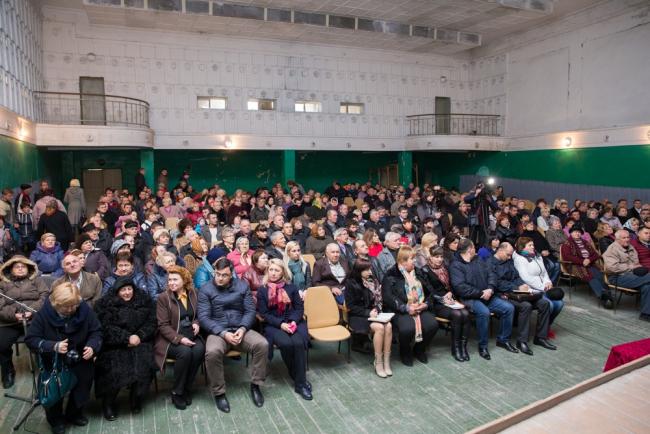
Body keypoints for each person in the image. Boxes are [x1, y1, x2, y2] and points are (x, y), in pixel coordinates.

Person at [25, 283, 103, 434]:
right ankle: (56, 420)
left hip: (80, 356)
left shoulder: (84, 310)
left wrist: (92, 346)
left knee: (83, 384)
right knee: (53, 390)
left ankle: (74, 413)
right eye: (65, 307)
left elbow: (96, 331)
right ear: (55, 303)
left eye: (74, 306)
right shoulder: (43, 315)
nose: (70, 310)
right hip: (54, 359)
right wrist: (53, 346)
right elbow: (31, 339)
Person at [198, 257, 268, 413]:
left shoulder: (242, 286)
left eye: (224, 275)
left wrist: (243, 328)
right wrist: (223, 333)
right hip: (218, 331)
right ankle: (219, 393)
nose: (219, 278)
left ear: (231, 275)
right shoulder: (206, 289)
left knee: (262, 344)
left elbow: (250, 311)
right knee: (212, 351)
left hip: (239, 329)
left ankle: (256, 385)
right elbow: (204, 318)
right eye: (217, 274)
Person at [94, 276, 156, 420]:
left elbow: (152, 321)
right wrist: (125, 338)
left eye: (129, 289)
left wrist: (139, 336)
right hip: (114, 344)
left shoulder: (143, 300)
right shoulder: (105, 304)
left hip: (140, 341)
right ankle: (108, 403)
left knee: (144, 363)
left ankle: (136, 397)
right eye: (123, 290)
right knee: (115, 367)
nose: (127, 292)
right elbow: (105, 327)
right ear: (117, 291)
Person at [449, 239, 515, 360]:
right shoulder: (455, 265)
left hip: (487, 295)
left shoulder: (478, 259)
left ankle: (503, 340)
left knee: (509, 308)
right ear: (470, 250)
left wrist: (490, 288)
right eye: (474, 247)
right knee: (484, 312)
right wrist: (481, 293)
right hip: (470, 299)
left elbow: (491, 273)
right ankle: (483, 346)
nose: (476, 250)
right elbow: (460, 288)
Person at [257, 259, 311, 399]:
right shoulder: (262, 290)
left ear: (283, 273)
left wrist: (293, 321)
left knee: (298, 343)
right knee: (286, 344)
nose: (273, 273)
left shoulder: (291, 287)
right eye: (271, 270)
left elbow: (299, 308)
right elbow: (264, 314)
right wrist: (281, 324)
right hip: (274, 324)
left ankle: (300, 385)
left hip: (293, 321)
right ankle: (298, 376)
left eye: (277, 270)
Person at [487, 243, 555, 355]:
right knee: (525, 306)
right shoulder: (490, 263)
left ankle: (540, 337)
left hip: (518, 293)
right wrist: (516, 287)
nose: (510, 257)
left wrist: (523, 285)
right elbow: (496, 283)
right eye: (508, 255)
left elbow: (516, 276)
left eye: (510, 255)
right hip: (503, 294)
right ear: (500, 251)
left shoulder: (508, 261)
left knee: (544, 303)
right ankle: (522, 341)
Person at [155, 266, 206, 410]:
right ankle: (176, 391)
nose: (171, 283)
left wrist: (196, 324)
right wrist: (179, 339)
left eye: (175, 279)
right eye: (169, 280)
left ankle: (187, 388)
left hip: (191, 334)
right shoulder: (163, 298)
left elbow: (199, 315)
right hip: (169, 338)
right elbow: (163, 325)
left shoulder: (194, 293)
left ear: (184, 280)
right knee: (185, 352)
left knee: (199, 350)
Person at [381, 246, 438, 366]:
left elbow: (430, 290)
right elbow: (388, 296)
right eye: (412, 258)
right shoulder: (391, 275)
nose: (415, 261)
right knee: (408, 328)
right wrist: (406, 308)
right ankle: (405, 352)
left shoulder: (419, 272)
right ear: (403, 261)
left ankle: (419, 350)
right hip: (400, 309)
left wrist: (425, 304)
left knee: (432, 325)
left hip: (420, 307)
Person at [0, 257, 49, 389]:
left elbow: (45, 297)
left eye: (23, 267)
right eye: (17, 267)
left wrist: (31, 312)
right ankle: (8, 371)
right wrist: (14, 315)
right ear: (10, 270)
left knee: (42, 340)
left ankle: (45, 368)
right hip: (10, 321)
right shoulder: (2, 284)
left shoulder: (37, 281)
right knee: (1, 344)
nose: (21, 269)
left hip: (34, 318)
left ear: (28, 268)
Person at [421, 246, 472, 362]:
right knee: (457, 315)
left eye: (441, 257)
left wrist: (450, 293)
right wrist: (442, 299)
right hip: (435, 302)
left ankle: (463, 347)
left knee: (465, 313)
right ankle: (455, 348)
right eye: (436, 257)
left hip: (449, 299)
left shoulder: (445, 267)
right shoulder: (425, 270)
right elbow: (427, 292)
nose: (439, 259)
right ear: (430, 257)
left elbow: (452, 285)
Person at [344, 258, 393, 376]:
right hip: (358, 315)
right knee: (380, 328)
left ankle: (386, 361)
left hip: (373, 313)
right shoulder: (351, 283)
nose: (370, 272)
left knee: (389, 326)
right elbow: (351, 306)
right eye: (367, 270)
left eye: (370, 269)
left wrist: (376, 309)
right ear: (359, 271)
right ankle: (378, 362)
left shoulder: (373, 281)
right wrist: (368, 313)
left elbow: (378, 300)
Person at [513, 237, 564, 330]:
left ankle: (546, 326)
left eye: (533, 245)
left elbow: (544, 272)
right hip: (533, 290)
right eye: (529, 245)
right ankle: (541, 329)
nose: (533, 247)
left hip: (544, 287)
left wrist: (548, 282)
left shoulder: (537, 256)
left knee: (559, 303)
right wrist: (543, 286)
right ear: (522, 247)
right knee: (549, 305)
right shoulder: (519, 259)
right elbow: (526, 278)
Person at [602, 230, 650, 322]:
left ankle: (645, 314)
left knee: (647, 287)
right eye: (624, 238)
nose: (627, 239)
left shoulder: (631, 247)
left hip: (632, 275)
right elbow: (614, 268)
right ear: (617, 239)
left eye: (628, 237)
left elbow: (636, 262)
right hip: (618, 277)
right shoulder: (611, 250)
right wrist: (632, 267)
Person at [561, 226, 613, 308]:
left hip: (589, 263)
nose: (577, 234)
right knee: (589, 275)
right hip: (575, 265)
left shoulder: (585, 242)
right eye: (575, 232)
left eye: (579, 232)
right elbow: (567, 257)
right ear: (571, 233)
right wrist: (582, 261)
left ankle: (608, 295)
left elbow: (595, 254)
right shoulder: (567, 243)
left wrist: (589, 260)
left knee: (600, 274)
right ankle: (604, 297)